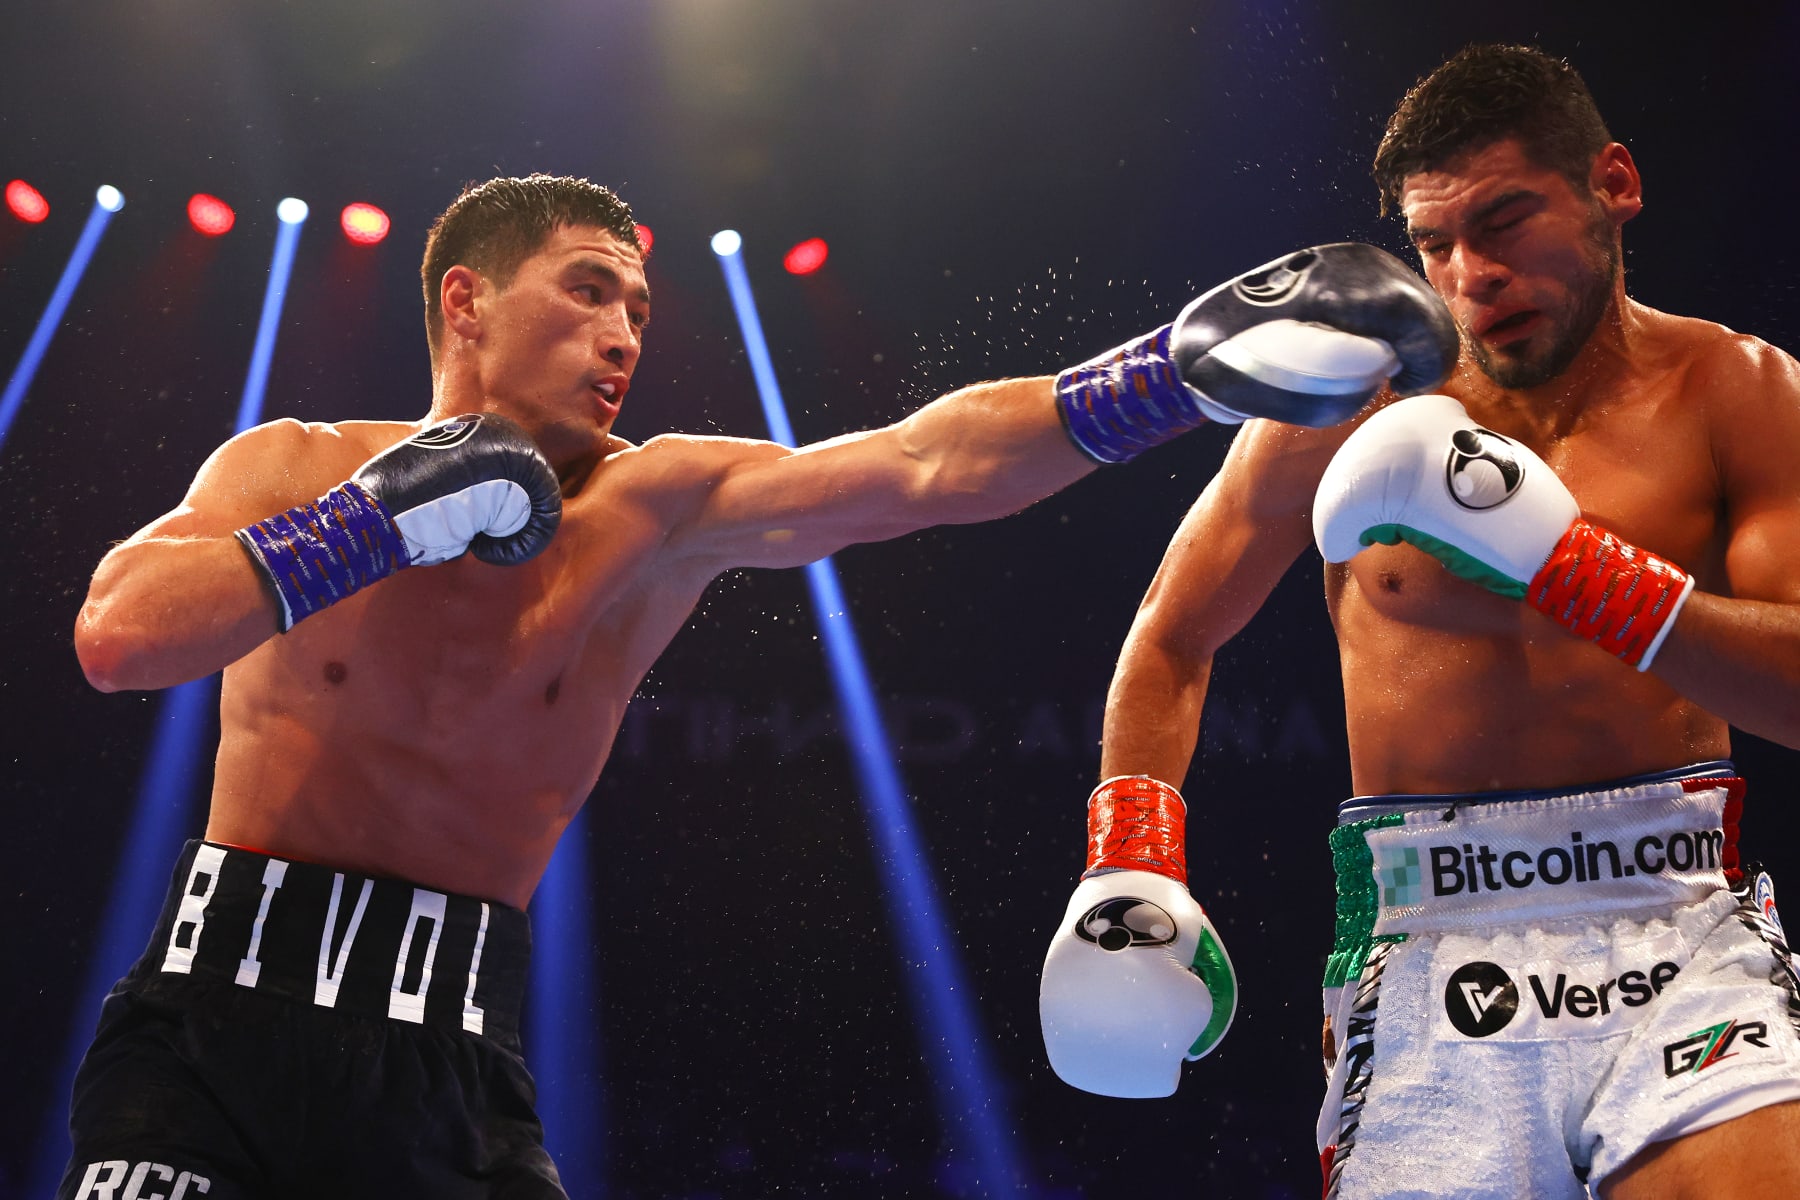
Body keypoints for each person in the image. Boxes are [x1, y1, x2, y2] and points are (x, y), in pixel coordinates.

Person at [58, 173, 1455, 1198]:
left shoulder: (657, 504)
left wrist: (1162, 382)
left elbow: (922, 465)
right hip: (208, 1043)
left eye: (641, 306)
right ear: (465, 301)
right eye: (588, 288)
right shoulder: (294, 466)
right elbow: (121, 632)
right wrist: (371, 523)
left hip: (453, 1070)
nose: (625, 334)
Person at [1039, 43, 1800, 1200]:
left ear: (1615, 184)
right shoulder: (1348, 402)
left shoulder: (1737, 391)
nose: (1470, 274)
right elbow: (1171, 634)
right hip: (1428, 939)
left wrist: (1577, 573)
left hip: (1681, 922)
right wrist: (1130, 860)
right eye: (1435, 242)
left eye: (1504, 221)